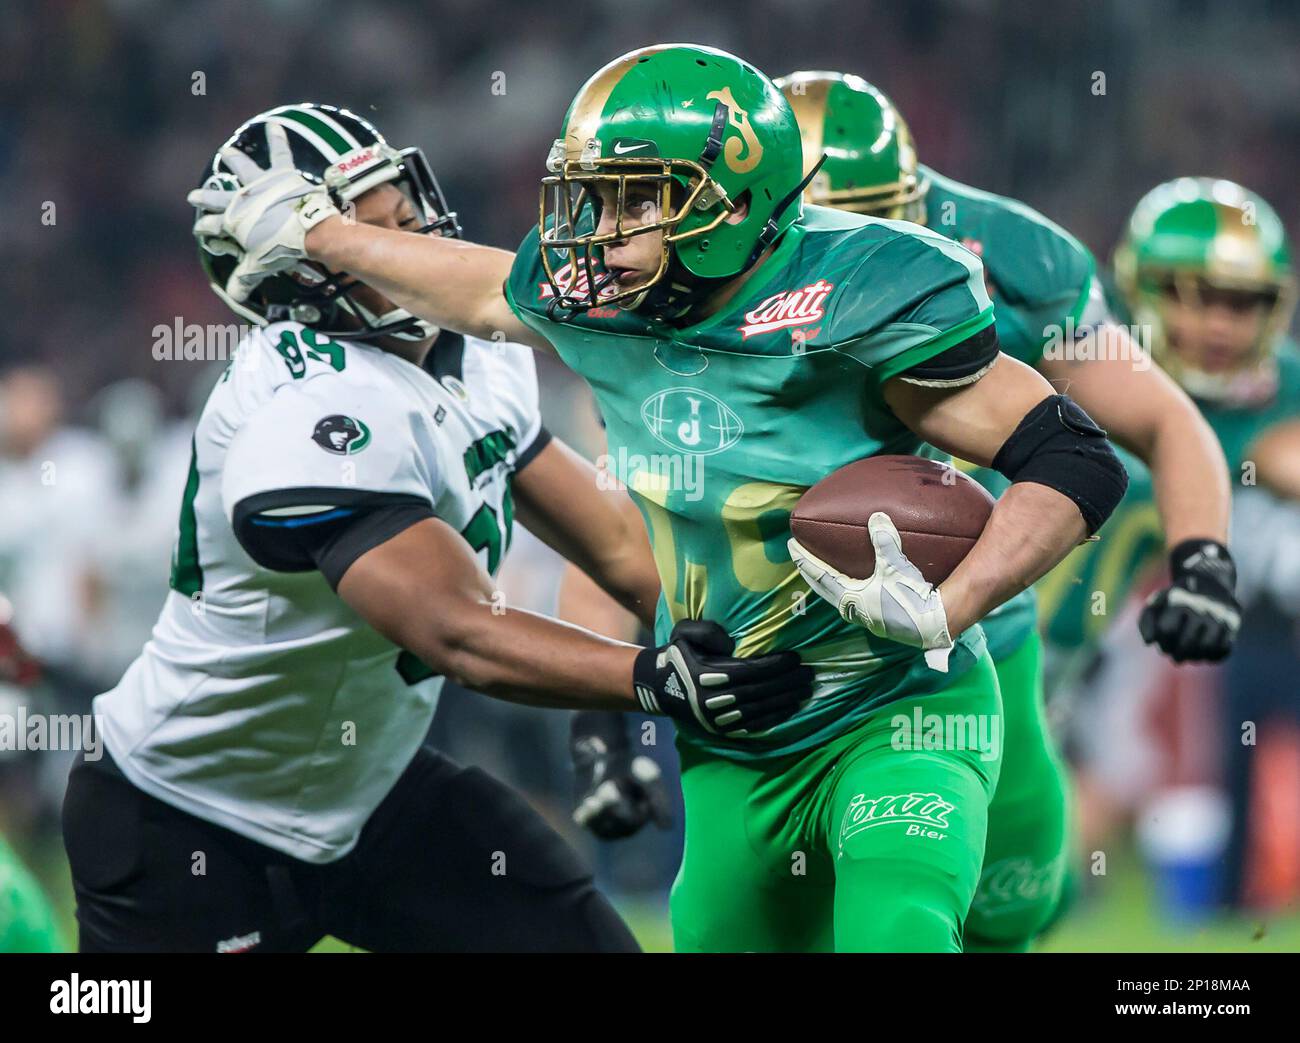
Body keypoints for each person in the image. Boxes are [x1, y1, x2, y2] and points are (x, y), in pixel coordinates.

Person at [189, 45, 1129, 952]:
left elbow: (1077, 459)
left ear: (729, 194)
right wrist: (318, 233)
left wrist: (944, 608)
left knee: (898, 927)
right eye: (590, 195)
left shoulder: (861, 287)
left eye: (633, 198)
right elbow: (474, 291)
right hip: (738, 735)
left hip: (895, 706)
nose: (595, 226)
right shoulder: (594, 303)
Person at [63, 103, 814, 954]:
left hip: (370, 788)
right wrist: (649, 679)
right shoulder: (305, 406)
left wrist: (777, 623)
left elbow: (615, 544)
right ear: (294, 274)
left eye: (409, 217)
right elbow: (459, 630)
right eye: (374, 231)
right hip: (190, 815)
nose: (417, 245)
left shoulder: (471, 354)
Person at [769, 71, 1240, 950]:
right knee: (786, 914)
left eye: (885, 218)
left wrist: (1204, 557)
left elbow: (1164, 419)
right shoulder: (695, 286)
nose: (862, 250)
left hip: (983, 628)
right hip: (780, 629)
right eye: (829, 230)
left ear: (915, 193)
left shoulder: (1018, 258)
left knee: (1015, 900)